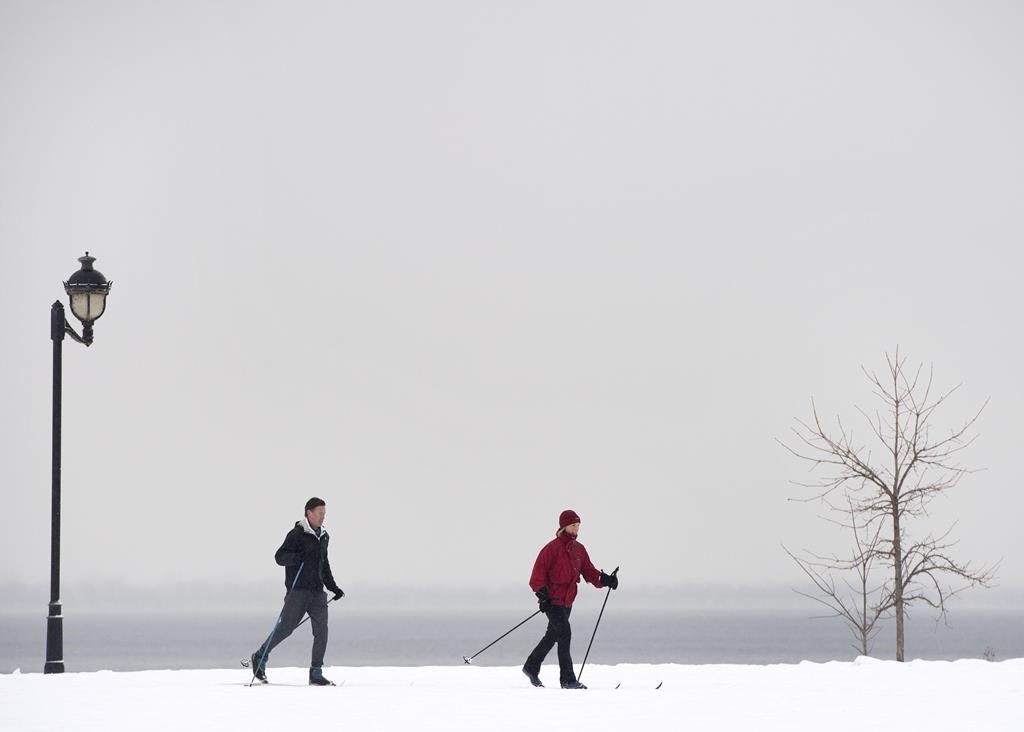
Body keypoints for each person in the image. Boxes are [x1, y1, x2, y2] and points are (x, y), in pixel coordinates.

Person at [250, 497, 345, 686]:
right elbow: (280, 557)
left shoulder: (324, 536)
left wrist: (333, 587)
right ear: (308, 513)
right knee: (285, 629)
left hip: (317, 592)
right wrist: (300, 556)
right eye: (320, 513)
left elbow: (324, 564)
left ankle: (316, 672)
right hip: (298, 591)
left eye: (324, 514)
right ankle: (260, 656)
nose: (322, 517)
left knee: (322, 631)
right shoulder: (296, 534)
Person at [523, 509, 618, 689]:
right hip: (551, 602)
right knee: (564, 633)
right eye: (574, 525)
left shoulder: (579, 550)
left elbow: (589, 572)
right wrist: (543, 596)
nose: (577, 529)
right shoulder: (551, 549)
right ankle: (568, 680)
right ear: (564, 526)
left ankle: (531, 666)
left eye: (578, 526)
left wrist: (606, 580)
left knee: (553, 635)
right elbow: (536, 577)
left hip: (567, 602)